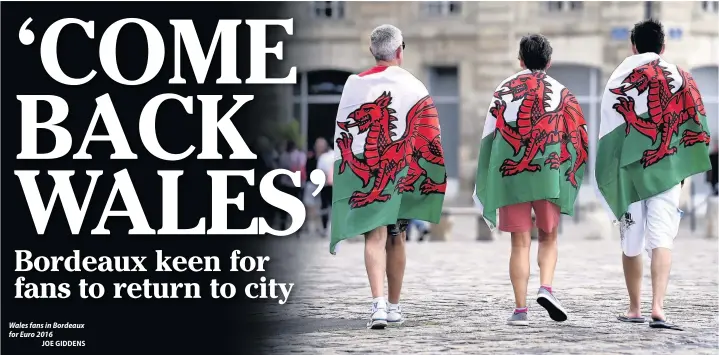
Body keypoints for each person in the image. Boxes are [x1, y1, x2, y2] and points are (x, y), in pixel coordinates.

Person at [595, 19, 711, 331]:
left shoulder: (618, 78)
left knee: (631, 240)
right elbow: (699, 124)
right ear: (663, 46)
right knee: (663, 238)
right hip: (668, 170)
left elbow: (609, 129)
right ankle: (657, 307)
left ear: (633, 46)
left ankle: (635, 308)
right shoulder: (680, 76)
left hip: (632, 173)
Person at [330, 24, 447, 329]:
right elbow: (430, 134)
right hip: (402, 174)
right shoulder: (415, 85)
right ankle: (394, 307)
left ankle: (378, 305)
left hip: (370, 173)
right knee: (397, 238)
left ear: (372, 51)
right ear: (400, 51)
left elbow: (343, 130)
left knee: (374, 236)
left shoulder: (355, 84)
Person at [473, 34, 589, 326]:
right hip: (548, 175)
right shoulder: (563, 91)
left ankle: (520, 310)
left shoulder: (503, 89)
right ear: (549, 62)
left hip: (513, 175)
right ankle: (546, 287)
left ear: (521, 60)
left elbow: (490, 136)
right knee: (549, 237)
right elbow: (578, 138)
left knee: (519, 243)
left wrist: (486, 176)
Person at [277, 140, 307, 231]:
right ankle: (298, 227)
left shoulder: (283, 155)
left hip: (287, 183)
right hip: (295, 184)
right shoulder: (300, 155)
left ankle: (284, 226)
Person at [314, 137, 334, 237]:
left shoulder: (323, 158)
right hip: (337, 185)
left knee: (325, 206)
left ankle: (325, 228)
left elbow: (319, 172)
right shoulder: (337, 155)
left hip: (325, 185)